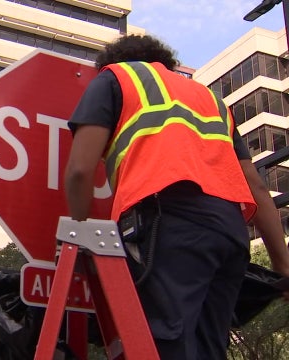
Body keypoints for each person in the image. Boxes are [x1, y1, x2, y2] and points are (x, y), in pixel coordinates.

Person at [64, 34, 289, 360]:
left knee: (165, 343)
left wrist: (79, 231)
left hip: (170, 222)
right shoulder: (210, 99)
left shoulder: (116, 78)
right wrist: (283, 268)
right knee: (208, 347)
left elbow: (80, 171)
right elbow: (255, 186)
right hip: (230, 233)